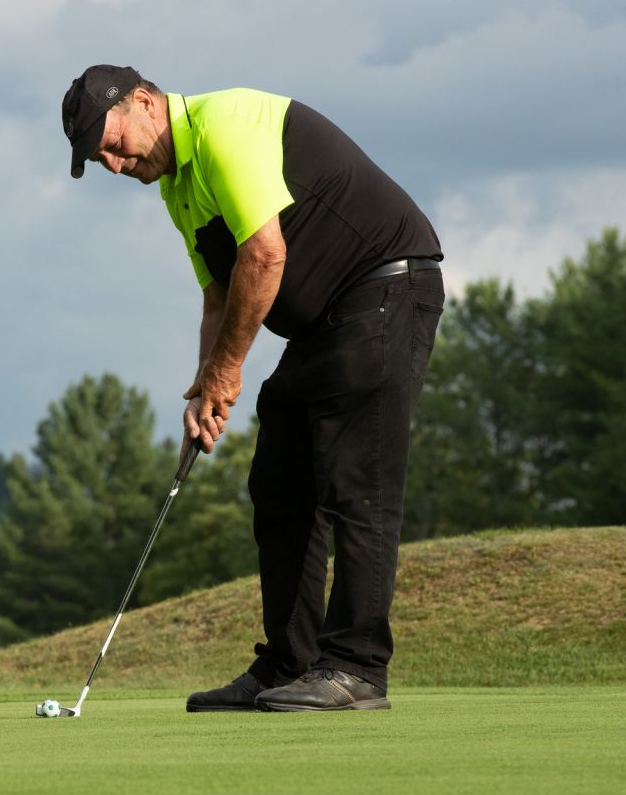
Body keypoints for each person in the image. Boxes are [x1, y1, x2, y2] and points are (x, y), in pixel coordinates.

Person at [62, 65, 444, 712]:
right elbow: (219, 293)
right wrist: (203, 387)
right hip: (327, 321)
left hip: (385, 288)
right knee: (279, 482)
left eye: (110, 140)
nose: (111, 162)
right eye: (97, 156)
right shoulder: (178, 189)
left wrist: (228, 370)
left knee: (357, 486)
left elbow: (264, 255)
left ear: (146, 102)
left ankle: (355, 668)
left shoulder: (226, 126)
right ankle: (288, 664)